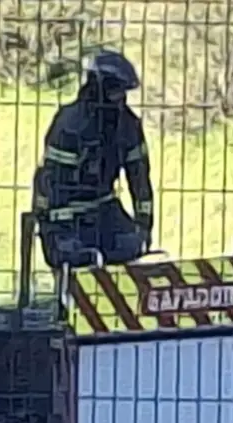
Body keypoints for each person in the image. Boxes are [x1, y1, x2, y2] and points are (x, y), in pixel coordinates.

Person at [32, 50, 154, 270]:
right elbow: (49, 182)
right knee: (79, 257)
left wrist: (144, 226)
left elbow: (140, 179)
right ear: (98, 86)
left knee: (131, 245)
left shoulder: (128, 125)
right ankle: (68, 296)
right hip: (65, 217)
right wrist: (51, 226)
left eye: (122, 93)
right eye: (114, 91)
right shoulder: (70, 124)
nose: (119, 99)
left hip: (105, 210)